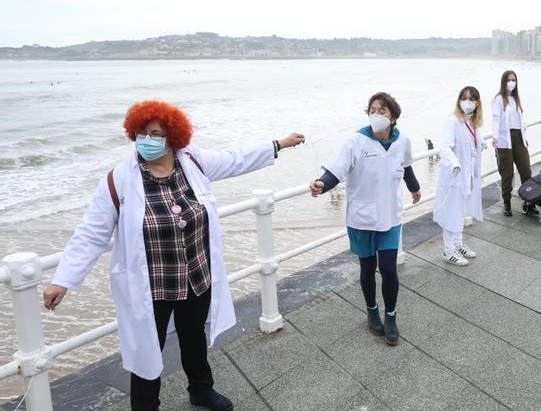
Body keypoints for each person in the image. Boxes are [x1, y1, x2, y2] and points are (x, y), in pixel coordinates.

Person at [44, 101, 305, 411]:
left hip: (196, 275)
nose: (147, 140)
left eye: (155, 134)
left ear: (173, 137)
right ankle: (145, 406)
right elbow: (92, 232)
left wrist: (278, 144)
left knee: (193, 336)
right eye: (141, 133)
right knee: (146, 348)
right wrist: (64, 279)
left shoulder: (192, 161)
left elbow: (235, 160)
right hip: (151, 286)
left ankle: (201, 389)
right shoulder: (119, 180)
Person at [310, 92, 421, 346]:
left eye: (382, 111)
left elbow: (406, 167)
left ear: (393, 116)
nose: (376, 115)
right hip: (361, 218)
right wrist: (321, 184)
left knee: (390, 269)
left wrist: (414, 188)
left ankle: (391, 317)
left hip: (390, 216)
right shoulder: (356, 142)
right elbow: (335, 170)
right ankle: (372, 311)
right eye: (372, 110)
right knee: (368, 268)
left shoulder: (402, 140)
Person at [433, 86, 485, 266]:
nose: (467, 102)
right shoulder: (453, 121)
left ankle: (457, 244)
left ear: (477, 102)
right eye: (464, 98)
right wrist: (454, 162)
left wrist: (484, 143)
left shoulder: (472, 123)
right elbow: (445, 147)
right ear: (459, 100)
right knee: (451, 212)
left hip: (468, 176)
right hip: (454, 176)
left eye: (471, 98)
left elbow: (473, 142)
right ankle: (448, 251)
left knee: (460, 211)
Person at [492, 70, 531, 217]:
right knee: (507, 174)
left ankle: (529, 201)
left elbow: (522, 120)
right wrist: (495, 137)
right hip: (504, 140)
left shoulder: (516, 99)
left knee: (526, 170)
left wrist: (524, 135)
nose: (512, 82)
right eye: (509, 80)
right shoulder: (499, 99)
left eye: (514, 80)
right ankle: (507, 204)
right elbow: (496, 118)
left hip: (519, 139)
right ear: (504, 82)